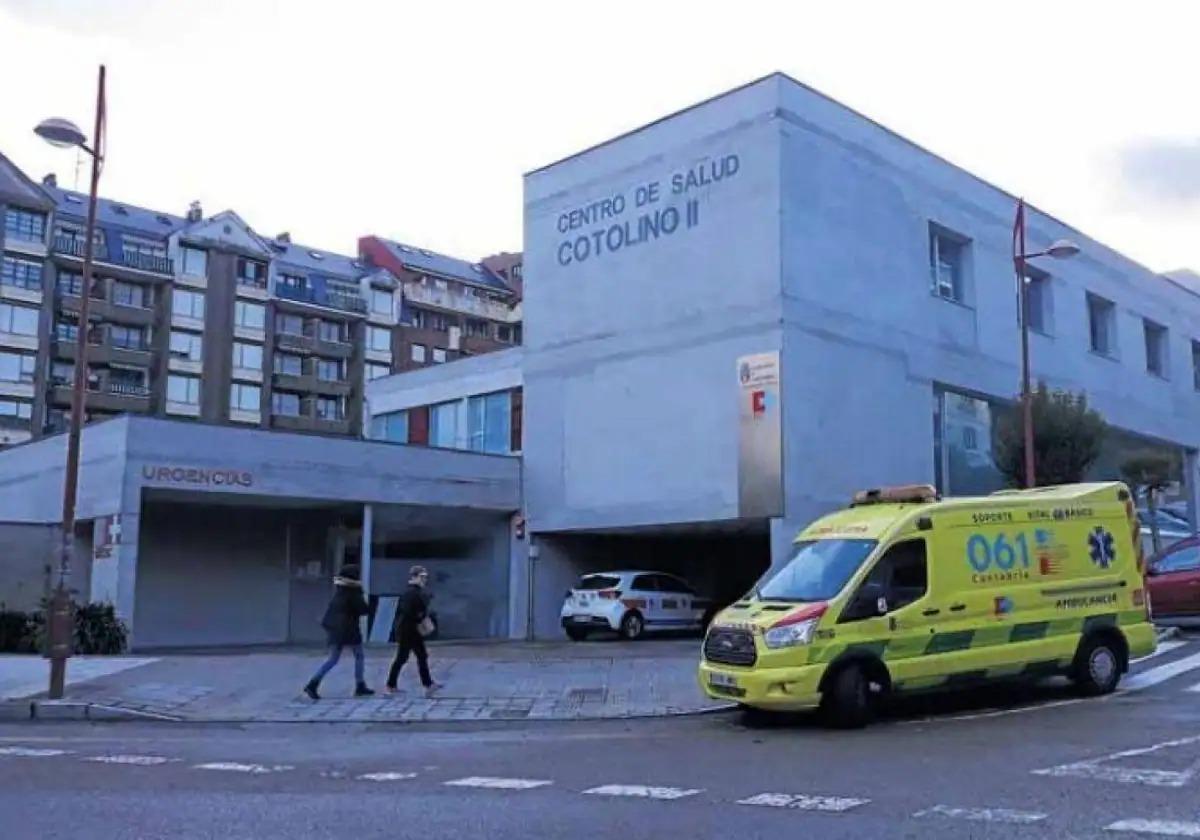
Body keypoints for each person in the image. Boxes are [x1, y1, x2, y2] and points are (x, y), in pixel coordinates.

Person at [303, 564, 374, 700]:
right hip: (349, 629)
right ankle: (360, 685)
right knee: (359, 656)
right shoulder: (353, 592)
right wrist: (361, 593)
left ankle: (313, 683)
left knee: (333, 659)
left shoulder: (340, 591)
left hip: (335, 629)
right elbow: (364, 609)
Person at [386, 565, 441, 697]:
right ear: (414, 577)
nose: (424, 580)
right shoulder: (411, 592)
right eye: (422, 577)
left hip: (412, 630)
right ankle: (391, 685)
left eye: (425, 577)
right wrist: (421, 616)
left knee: (419, 656)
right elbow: (409, 611)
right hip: (408, 630)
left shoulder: (416, 591)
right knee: (403, 657)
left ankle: (428, 684)